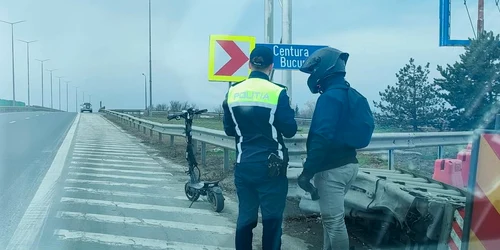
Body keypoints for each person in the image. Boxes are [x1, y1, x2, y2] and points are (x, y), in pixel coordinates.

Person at [297, 47, 374, 250]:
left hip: (331, 170)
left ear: (323, 69)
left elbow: (321, 138)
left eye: (313, 70)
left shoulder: (329, 98)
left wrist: (307, 172)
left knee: (334, 223)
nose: (312, 76)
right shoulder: (353, 95)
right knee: (331, 221)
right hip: (349, 166)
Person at [222, 46, 297, 250]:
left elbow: (229, 130)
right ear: (271, 67)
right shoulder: (277, 92)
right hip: (272, 166)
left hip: (244, 163)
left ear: (249, 64)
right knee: (272, 220)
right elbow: (290, 130)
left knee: (245, 218)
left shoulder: (233, 92)